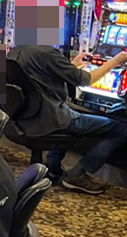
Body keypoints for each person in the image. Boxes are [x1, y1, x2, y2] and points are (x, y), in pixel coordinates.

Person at [7, 45, 127, 194]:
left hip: (25, 119)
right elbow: (86, 80)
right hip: (51, 118)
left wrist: (71, 65)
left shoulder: (18, 50)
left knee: (70, 113)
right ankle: (77, 174)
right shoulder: (48, 53)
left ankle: (53, 167)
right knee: (121, 129)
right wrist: (116, 61)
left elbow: (44, 75)